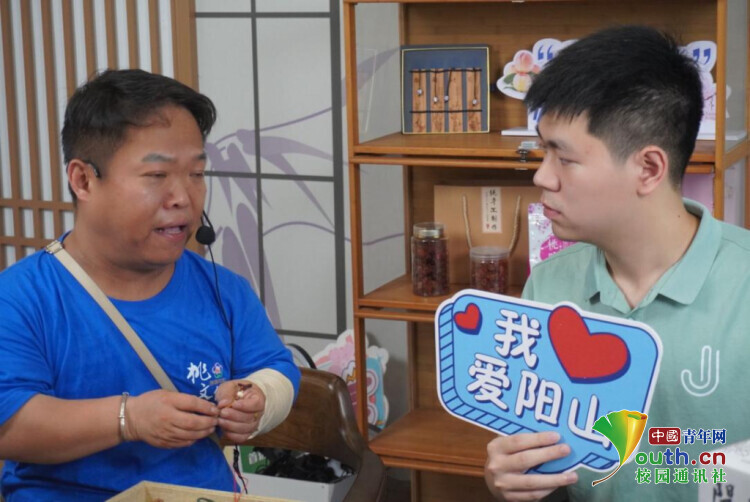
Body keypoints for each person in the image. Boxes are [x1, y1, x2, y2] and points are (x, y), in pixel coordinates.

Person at [0, 69, 301, 501]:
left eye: (196, 174)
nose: (183, 197)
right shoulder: (18, 298)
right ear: (83, 180)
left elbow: (276, 368)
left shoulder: (224, 290)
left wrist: (259, 399)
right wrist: (130, 419)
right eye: (157, 176)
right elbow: (9, 425)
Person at [484, 25, 750, 502]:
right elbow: (539, 454)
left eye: (564, 158)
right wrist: (512, 477)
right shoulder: (548, 286)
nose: (542, 176)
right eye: (543, 151)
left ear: (648, 169)